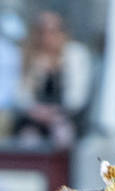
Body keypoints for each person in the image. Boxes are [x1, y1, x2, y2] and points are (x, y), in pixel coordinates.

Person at [13, 10, 91, 148]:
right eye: (42, 32)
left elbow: (77, 97)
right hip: (33, 117)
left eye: (53, 31)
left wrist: (56, 113)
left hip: (66, 116)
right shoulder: (26, 55)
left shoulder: (76, 55)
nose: (48, 37)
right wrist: (35, 111)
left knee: (63, 135)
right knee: (28, 140)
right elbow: (19, 94)